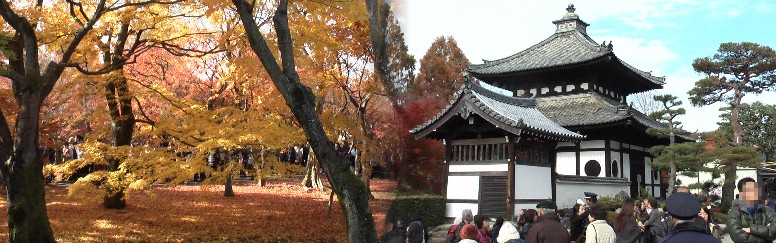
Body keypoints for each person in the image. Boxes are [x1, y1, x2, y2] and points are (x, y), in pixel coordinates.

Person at [727, 177, 776, 242]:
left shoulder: (768, 211)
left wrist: (751, 229)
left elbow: (774, 232)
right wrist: (765, 235)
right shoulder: (734, 213)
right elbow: (739, 237)